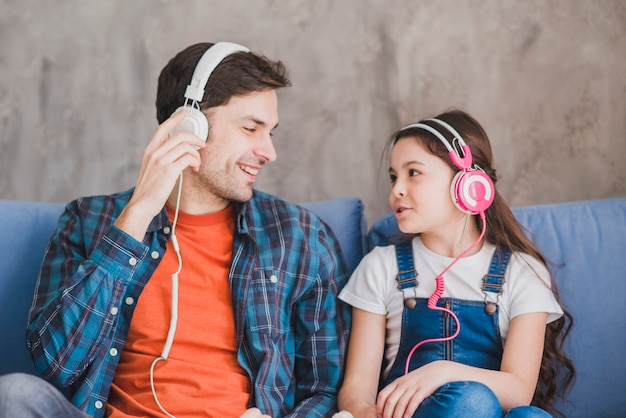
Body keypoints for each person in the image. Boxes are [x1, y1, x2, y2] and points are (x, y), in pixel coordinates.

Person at [0, 42, 350, 418]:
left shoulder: (301, 236)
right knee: (14, 394)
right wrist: (136, 216)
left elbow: (324, 387)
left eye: (271, 133)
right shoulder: (88, 220)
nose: (268, 152)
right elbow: (58, 364)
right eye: (250, 128)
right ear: (188, 125)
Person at [336, 110, 575, 418]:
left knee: (531, 417)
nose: (396, 190)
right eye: (394, 176)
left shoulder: (522, 271)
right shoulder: (381, 266)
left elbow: (518, 391)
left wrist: (442, 371)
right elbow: (356, 386)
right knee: (471, 402)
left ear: (468, 184)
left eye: (413, 173)